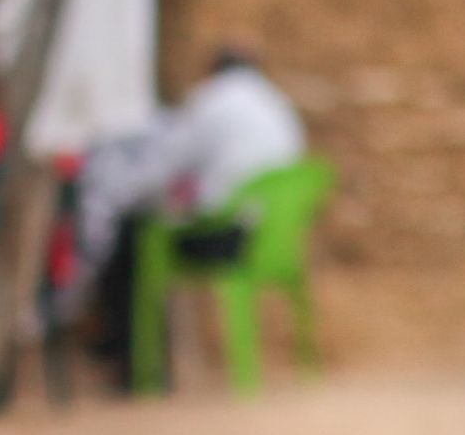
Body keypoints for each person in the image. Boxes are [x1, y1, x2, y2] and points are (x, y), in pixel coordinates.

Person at [71, 46, 309, 383]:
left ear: (211, 70)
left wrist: (124, 194)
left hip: (226, 238)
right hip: (272, 240)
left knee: (131, 238)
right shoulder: (277, 104)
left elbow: (167, 166)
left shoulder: (211, 102)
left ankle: (138, 369)